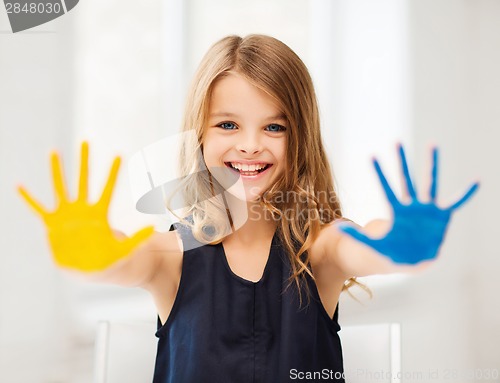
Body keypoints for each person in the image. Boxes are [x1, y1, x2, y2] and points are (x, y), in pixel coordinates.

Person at [18, 34, 479, 383]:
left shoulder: (320, 250)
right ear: (200, 135)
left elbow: (365, 245)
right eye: (228, 124)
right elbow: (126, 258)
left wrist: (400, 245)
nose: (251, 145)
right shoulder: (174, 257)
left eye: (274, 126)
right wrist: (92, 253)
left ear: (300, 136)